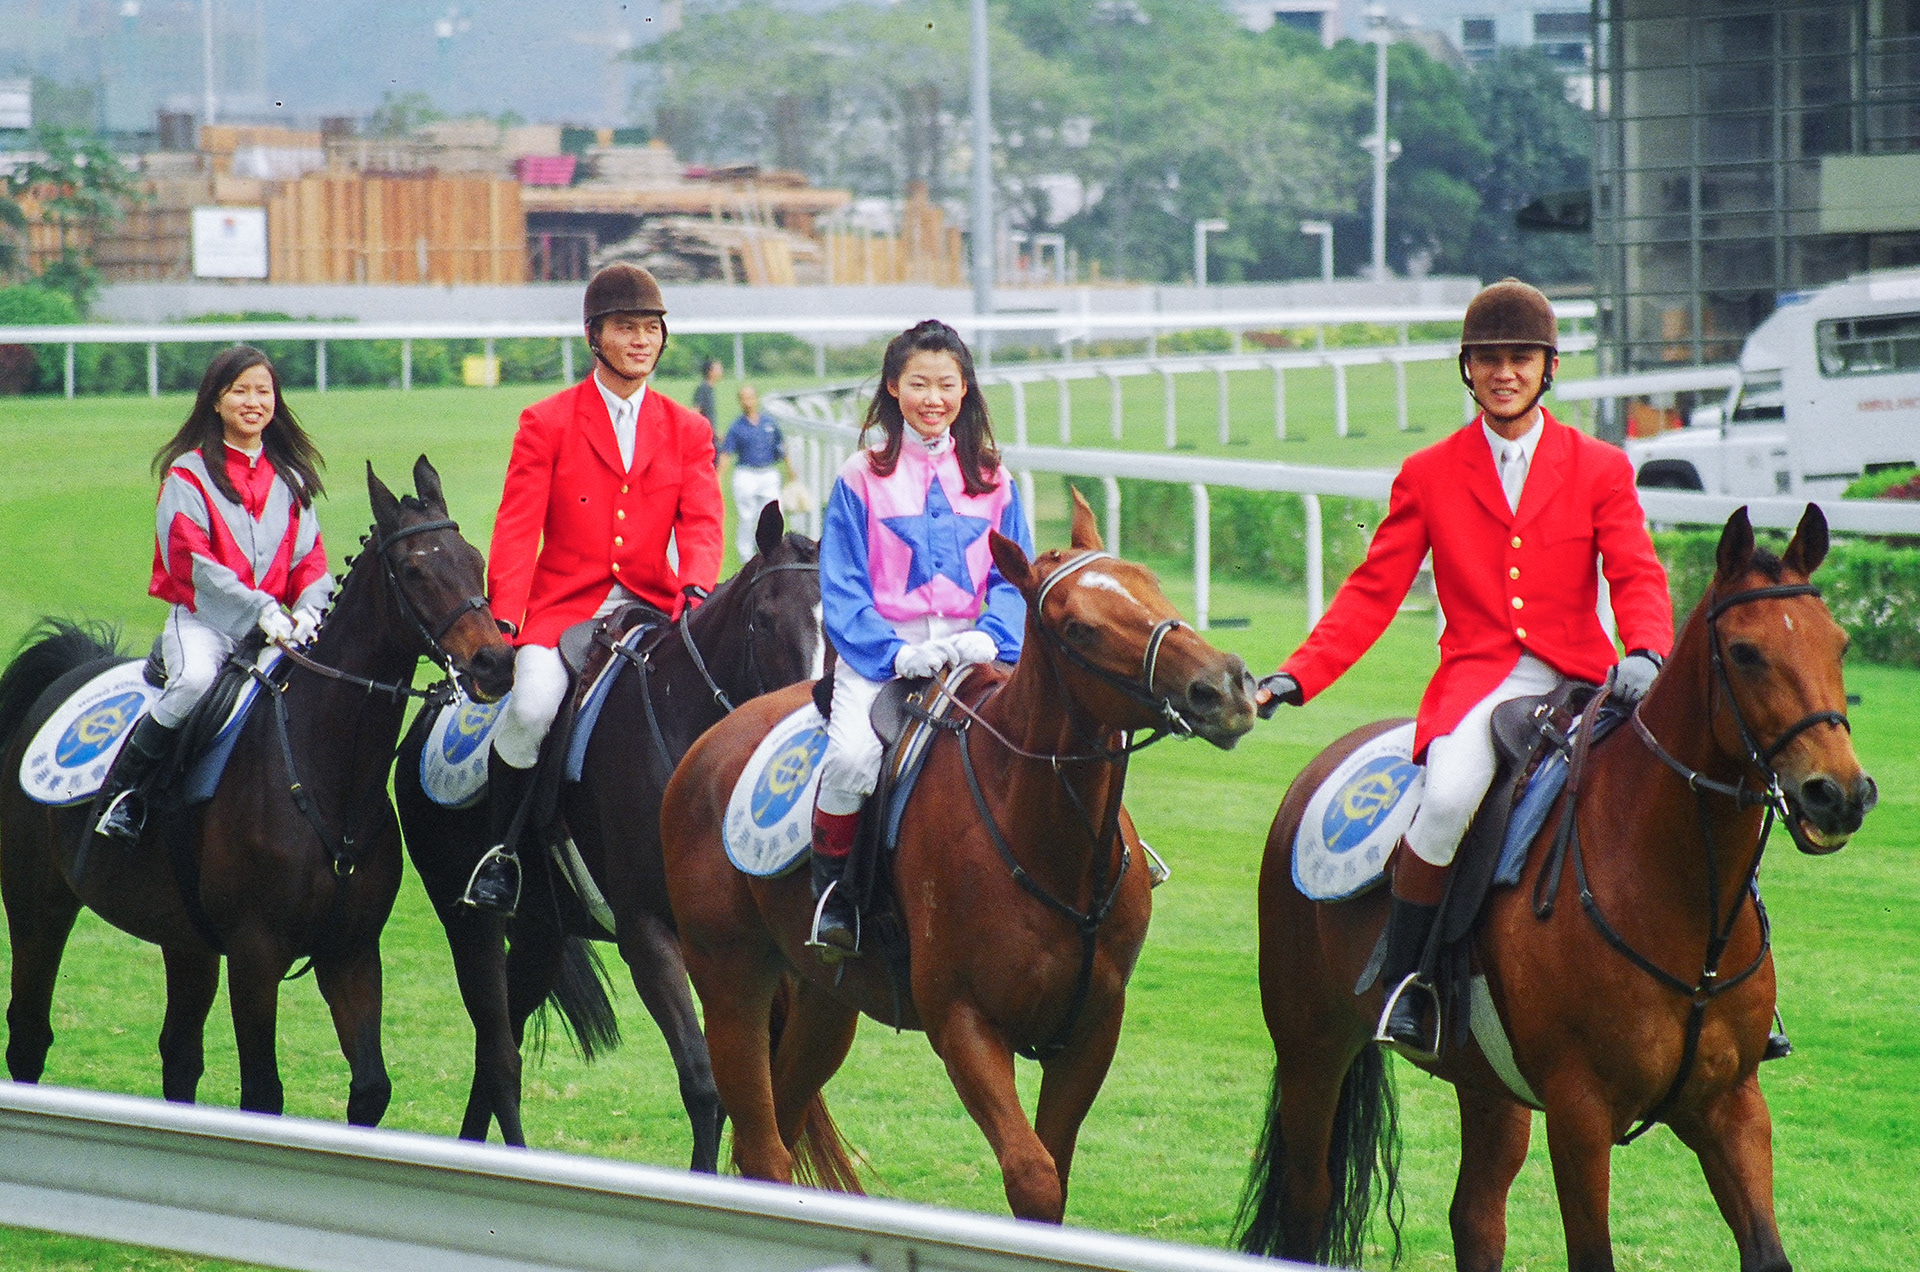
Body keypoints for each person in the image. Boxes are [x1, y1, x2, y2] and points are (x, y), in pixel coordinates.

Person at [1255, 278, 1673, 1062]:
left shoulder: (1601, 468)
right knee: (1446, 800)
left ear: (1548, 369)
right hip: (1482, 685)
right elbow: (1371, 594)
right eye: (1488, 360)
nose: (1504, 373)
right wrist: (1295, 676)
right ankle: (1411, 983)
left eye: (1520, 359)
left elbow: (1637, 574)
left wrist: (1647, 650)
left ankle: (1733, 990)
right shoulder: (1428, 474)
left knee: (1673, 782)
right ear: (1467, 370)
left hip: (1583, 680)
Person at [472, 262, 724, 914]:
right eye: (624, 327)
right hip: (564, 609)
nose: (640, 340)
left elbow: (701, 523)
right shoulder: (546, 421)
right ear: (594, 336)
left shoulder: (689, 429)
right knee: (529, 709)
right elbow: (516, 529)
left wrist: (697, 589)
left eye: (651, 329)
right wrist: (504, 624)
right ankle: (502, 854)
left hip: (655, 604)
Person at [811, 319, 1033, 958]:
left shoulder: (996, 479)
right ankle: (836, 899)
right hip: (883, 652)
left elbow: (1012, 578)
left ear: (965, 390)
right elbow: (844, 584)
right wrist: (896, 652)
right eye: (918, 384)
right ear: (893, 387)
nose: (932, 399)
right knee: (853, 758)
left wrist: (992, 636)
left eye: (946, 384)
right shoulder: (860, 475)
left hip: (977, 651)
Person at [94, 345, 331, 842]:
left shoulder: (290, 479)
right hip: (203, 622)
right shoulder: (186, 475)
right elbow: (190, 563)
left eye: (262, 391)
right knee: (195, 682)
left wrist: (311, 608)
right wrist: (260, 608)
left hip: (277, 630)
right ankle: (124, 793)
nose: (253, 401)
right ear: (216, 402)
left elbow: (310, 558)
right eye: (239, 390)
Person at [719, 384, 790, 563]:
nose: (747, 402)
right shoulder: (736, 427)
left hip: (768, 473)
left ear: (756, 399)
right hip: (746, 473)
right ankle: (746, 555)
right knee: (747, 516)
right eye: (744, 398)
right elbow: (727, 453)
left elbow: (782, 448)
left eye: (750, 397)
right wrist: (719, 477)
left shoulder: (769, 423)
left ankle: (771, 550)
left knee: (772, 513)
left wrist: (791, 471)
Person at [692, 357, 724, 465]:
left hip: (712, 434)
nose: (721, 371)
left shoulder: (710, 389)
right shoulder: (703, 388)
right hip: (707, 436)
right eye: (718, 368)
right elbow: (696, 411)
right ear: (710, 372)